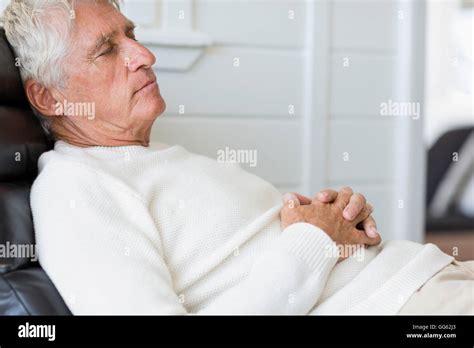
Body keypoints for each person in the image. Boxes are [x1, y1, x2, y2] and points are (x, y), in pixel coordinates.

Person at [2, 0, 472, 314]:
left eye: (131, 35)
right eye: (107, 50)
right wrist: (313, 241)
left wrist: (337, 225)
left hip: (420, 276)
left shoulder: (157, 157)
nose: (144, 55)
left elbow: (270, 255)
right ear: (47, 97)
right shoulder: (73, 189)